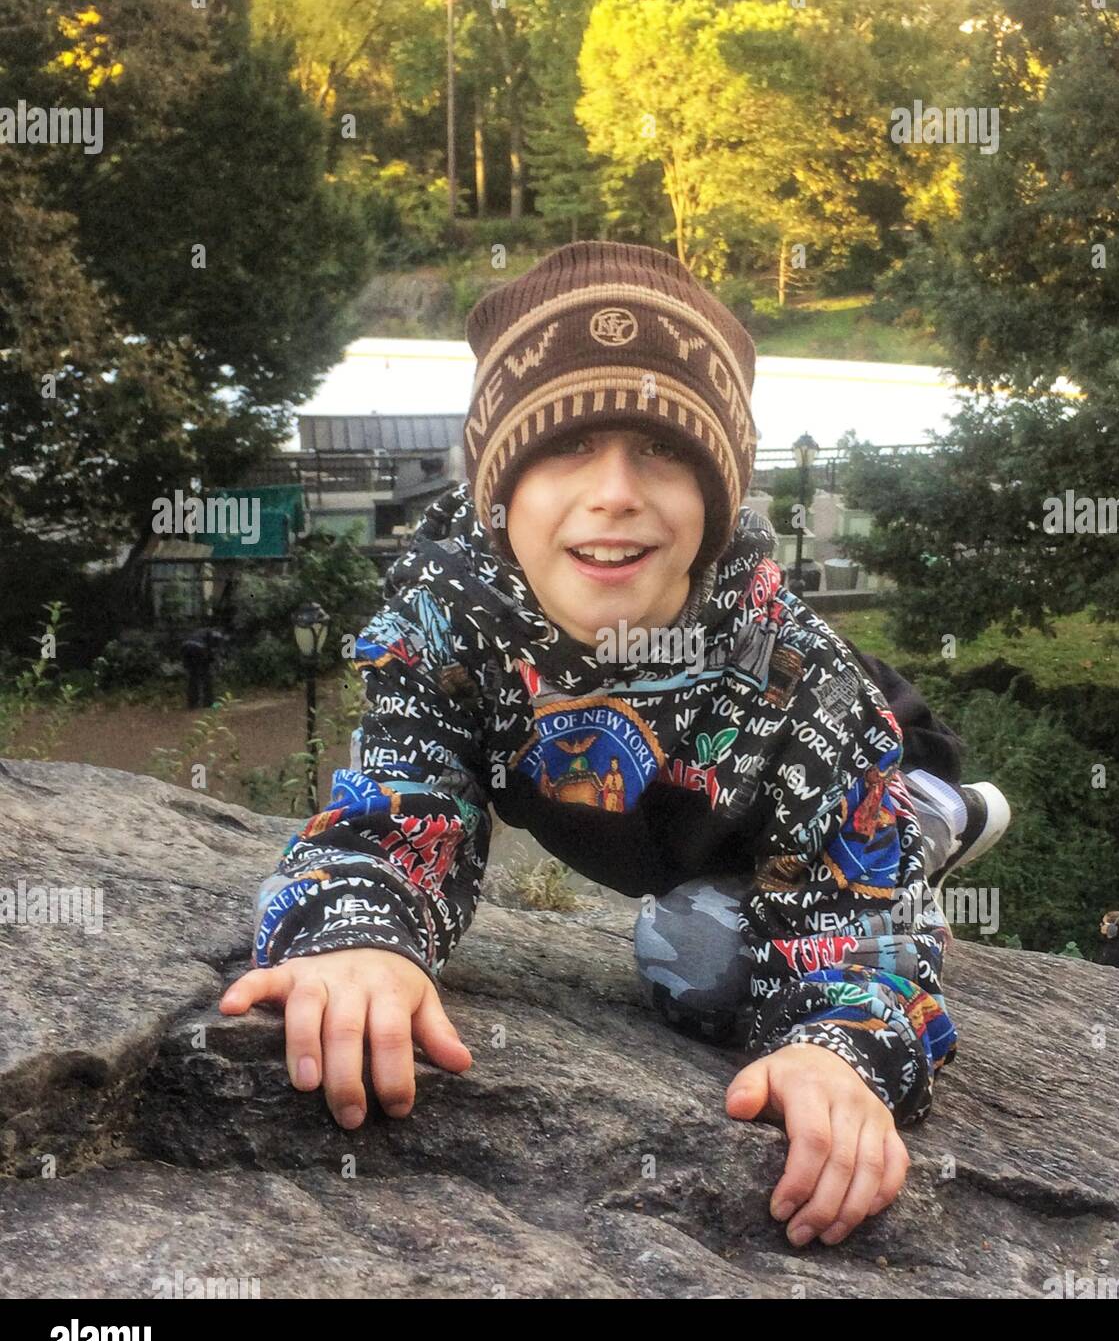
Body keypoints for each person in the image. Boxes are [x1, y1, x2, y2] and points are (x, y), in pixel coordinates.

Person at [223, 241, 1011, 1248]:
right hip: (642, 816)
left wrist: (839, 1053)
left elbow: (856, 922)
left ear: (718, 498)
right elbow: (402, 809)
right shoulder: (449, 621)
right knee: (694, 935)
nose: (613, 492)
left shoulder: (805, 680)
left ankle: (948, 812)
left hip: (841, 764)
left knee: (706, 962)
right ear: (499, 487)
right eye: (564, 447)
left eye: (661, 450)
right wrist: (360, 938)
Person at [179, 627, 225, 709]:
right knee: (206, 677)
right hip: (198, 649)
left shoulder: (200, 631)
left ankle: (192, 704)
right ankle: (208, 703)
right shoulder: (216, 634)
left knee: (193, 677)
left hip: (185, 648)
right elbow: (213, 650)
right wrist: (214, 661)